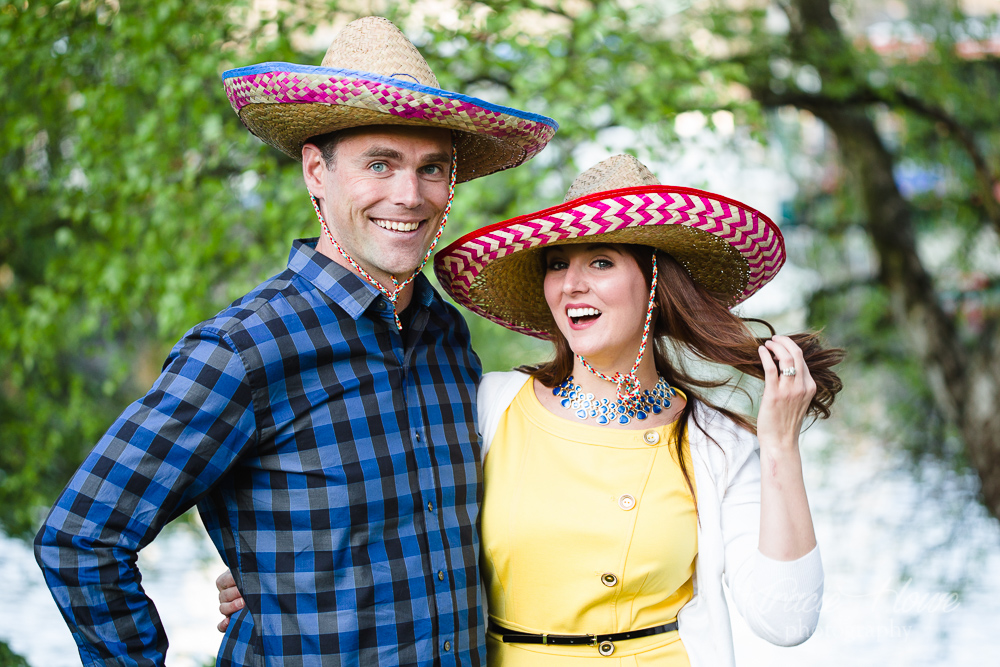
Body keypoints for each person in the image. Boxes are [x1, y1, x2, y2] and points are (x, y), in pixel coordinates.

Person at [33, 16, 556, 667]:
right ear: (316, 170)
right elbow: (81, 538)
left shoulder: (444, 334)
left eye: (432, 169)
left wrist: (284, 585)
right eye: (380, 163)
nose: (409, 194)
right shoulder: (245, 350)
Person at [221, 154, 844, 665]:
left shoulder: (716, 441)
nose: (572, 285)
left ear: (655, 284)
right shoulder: (493, 405)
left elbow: (786, 621)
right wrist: (282, 581)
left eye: (601, 262)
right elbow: (392, 511)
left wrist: (781, 445)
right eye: (557, 265)